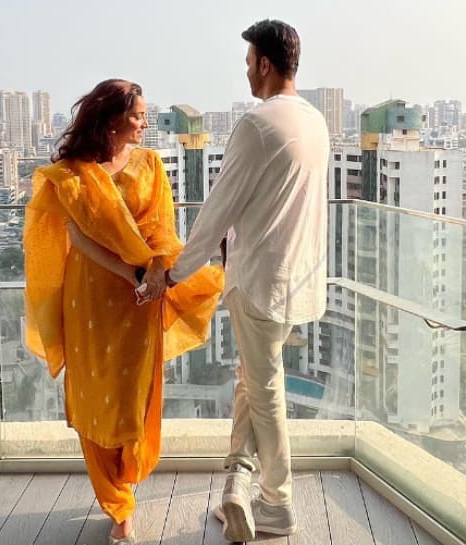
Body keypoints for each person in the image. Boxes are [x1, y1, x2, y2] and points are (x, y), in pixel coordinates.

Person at [23, 79, 223, 545]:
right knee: (94, 399)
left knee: (133, 398)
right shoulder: (73, 173)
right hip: (92, 295)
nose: (145, 124)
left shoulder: (151, 164)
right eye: (137, 116)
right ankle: (117, 505)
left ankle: (127, 483)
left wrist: (154, 274)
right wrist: (129, 273)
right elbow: (77, 239)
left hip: (141, 299)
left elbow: (163, 232)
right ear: (111, 119)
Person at [158, 19, 330, 542]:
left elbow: (216, 212)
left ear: (265, 63)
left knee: (267, 390)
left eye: (248, 62)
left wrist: (173, 272)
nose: (245, 72)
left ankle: (277, 503)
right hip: (297, 278)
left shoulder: (258, 125)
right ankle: (237, 483)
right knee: (252, 383)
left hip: (258, 280)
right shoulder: (316, 122)